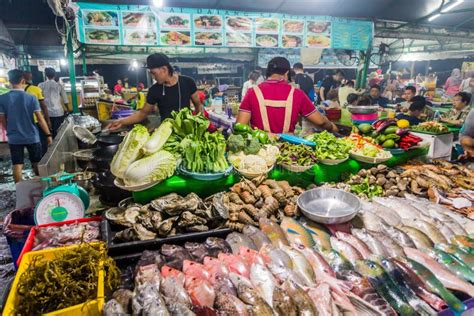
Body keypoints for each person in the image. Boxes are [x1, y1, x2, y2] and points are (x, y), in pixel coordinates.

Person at [237, 57, 337, 134]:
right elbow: (320, 121)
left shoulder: (252, 92)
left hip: (260, 155)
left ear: (268, 73)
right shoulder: (297, 94)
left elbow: (239, 127)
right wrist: (332, 127)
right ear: (286, 73)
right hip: (287, 152)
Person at [107, 53, 203, 130]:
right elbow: (142, 113)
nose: (153, 77)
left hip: (187, 130)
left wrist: (198, 125)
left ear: (164, 69)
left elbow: (198, 105)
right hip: (165, 132)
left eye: (154, 73)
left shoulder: (188, 82)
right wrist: (121, 121)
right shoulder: (154, 90)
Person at [0, 70, 52, 183]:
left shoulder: (2, 98)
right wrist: (48, 135)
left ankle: (19, 190)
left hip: (14, 137)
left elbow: (2, 120)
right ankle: (40, 187)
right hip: (32, 136)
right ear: (23, 81)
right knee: (36, 162)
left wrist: (9, 130)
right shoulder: (31, 97)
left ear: (9, 81)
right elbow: (40, 119)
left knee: (17, 164)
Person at [23, 71, 50, 156]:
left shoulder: (14, 91)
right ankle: (42, 160)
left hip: (23, 122)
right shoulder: (35, 89)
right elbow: (43, 106)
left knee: (30, 144)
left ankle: (34, 160)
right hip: (36, 121)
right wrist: (47, 120)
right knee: (42, 142)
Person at [38, 67, 68, 137]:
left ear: (46, 75)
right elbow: (65, 99)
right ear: (55, 75)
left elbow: (39, 99)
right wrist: (67, 109)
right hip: (58, 112)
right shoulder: (59, 85)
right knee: (58, 131)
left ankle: (50, 143)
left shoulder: (40, 85)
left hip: (46, 113)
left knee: (48, 130)